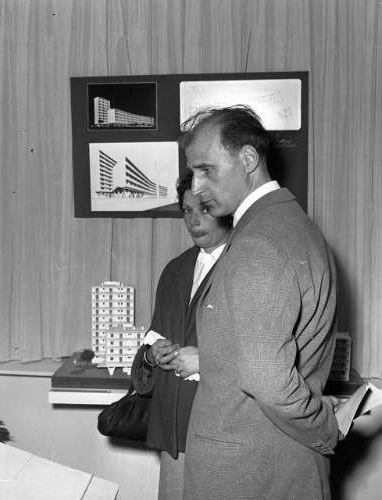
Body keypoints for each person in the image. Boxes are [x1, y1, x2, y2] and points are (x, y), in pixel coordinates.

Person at [178, 105, 340, 500]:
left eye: (206, 170)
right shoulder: (279, 225)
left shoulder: (260, 243)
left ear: (248, 159)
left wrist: (326, 426)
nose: (197, 186)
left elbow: (268, 380)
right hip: (263, 464)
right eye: (193, 173)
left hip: (251, 474)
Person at [131, 170, 230, 500]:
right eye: (187, 210)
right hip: (174, 435)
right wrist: (152, 355)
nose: (194, 220)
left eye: (205, 209)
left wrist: (204, 361)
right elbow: (150, 341)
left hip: (224, 435)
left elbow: (265, 360)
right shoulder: (175, 269)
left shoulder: (246, 267)